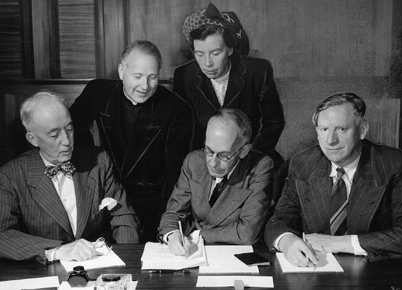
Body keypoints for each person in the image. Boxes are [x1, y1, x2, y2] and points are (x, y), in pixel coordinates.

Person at [69, 40, 193, 242]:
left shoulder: (177, 109)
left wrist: (166, 227)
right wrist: (95, 163)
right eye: (138, 76)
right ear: (121, 71)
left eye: (152, 77)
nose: (145, 86)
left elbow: (174, 175)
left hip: (152, 205)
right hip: (107, 196)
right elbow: (73, 128)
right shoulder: (97, 92)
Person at [265, 93, 402, 266]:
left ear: (362, 130)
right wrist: (287, 242)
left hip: (374, 272)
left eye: (342, 129)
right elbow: (278, 221)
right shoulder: (302, 164)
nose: (331, 140)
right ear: (317, 132)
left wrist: (336, 243)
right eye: (324, 130)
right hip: (315, 271)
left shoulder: (392, 163)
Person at [0, 90, 139, 265]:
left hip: (101, 265)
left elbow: (123, 216)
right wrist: (56, 251)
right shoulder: (11, 175)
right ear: (33, 139)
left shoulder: (99, 160)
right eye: (54, 135)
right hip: (47, 270)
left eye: (69, 129)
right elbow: (2, 235)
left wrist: (126, 260)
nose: (66, 141)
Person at [173, 3, 285, 165]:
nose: (207, 63)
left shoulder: (258, 71)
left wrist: (250, 156)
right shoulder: (184, 76)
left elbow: (274, 122)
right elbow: (182, 132)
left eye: (216, 53)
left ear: (230, 49)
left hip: (250, 156)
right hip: (206, 160)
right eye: (199, 54)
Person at [159, 108, 273, 256]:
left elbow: (247, 233)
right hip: (193, 254)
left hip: (236, 255)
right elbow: (173, 213)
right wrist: (172, 235)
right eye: (208, 150)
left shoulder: (260, 167)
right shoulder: (193, 161)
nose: (212, 163)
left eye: (224, 155)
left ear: (244, 151)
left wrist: (197, 235)